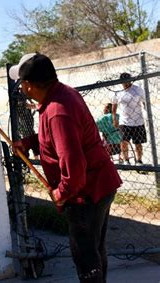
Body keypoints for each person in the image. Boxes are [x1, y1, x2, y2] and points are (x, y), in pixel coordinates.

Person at [9, 53, 122, 283]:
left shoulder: (58, 112)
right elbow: (58, 138)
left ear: (29, 85)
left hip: (86, 193)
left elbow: (74, 169)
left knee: (86, 256)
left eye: (21, 82)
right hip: (95, 185)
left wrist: (61, 194)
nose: (20, 87)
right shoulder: (59, 96)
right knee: (94, 250)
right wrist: (30, 142)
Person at [112, 73, 147, 164]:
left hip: (138, 121)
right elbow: (114, 108)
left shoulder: (137, 90)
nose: (126, 84)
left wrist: (147, 114)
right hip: (124, 121)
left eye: (128, 81)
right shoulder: (118, 92)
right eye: (124, 82)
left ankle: (139, 160)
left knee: (138, 143)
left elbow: (144, 102)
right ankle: (126, 160)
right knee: (123, 142)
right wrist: (114, 119)